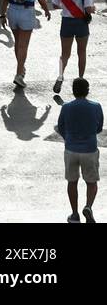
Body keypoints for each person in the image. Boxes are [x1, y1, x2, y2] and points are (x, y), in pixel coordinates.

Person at [0, 0, 47, 89]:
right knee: (23, 46)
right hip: (26, 12)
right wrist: (47, 10)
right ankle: (19, 73)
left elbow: (5, 0)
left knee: (18, 43)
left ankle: (21, 68)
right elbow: (41, 0)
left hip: (12, 12)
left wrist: (2, 15)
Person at [57, 78, 103, 223]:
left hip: (71, 149)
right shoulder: (96, 107)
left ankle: (75, 214)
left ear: (73, 91)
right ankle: (88, 206)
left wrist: (68, 138)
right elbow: (99, 128)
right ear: (87, 90)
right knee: (92, 182)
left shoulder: (66, 107)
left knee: (72, 182)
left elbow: (61, 126)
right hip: (89, 149)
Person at [54, 0, 95, 95]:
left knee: (64, 54)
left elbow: (55, 5)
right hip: (81, 23)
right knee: (81, 52)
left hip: (66, 22)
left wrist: (66, 6)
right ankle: (80, 79)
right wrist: (93, 9)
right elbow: (88, 9)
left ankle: (60, 76)